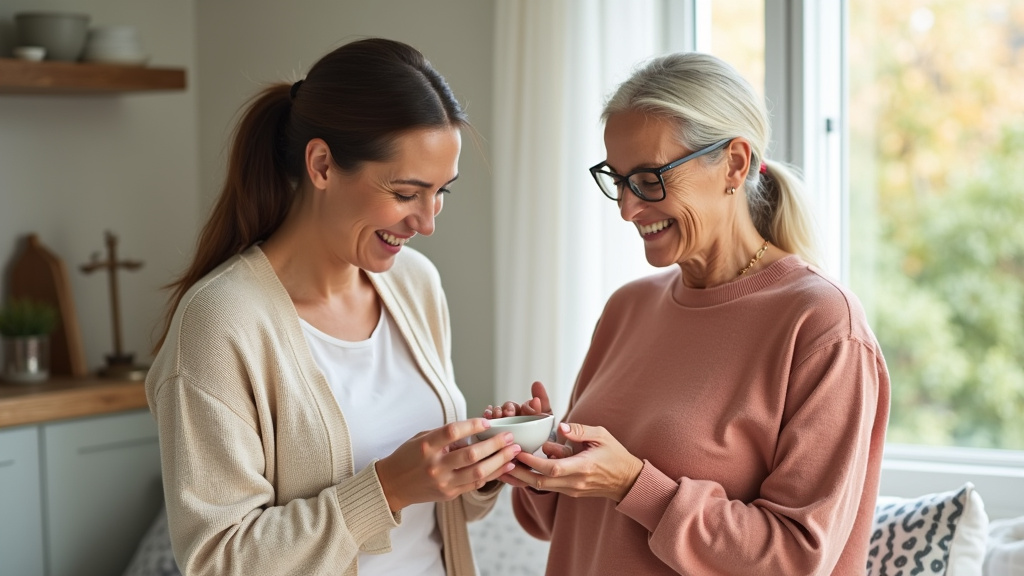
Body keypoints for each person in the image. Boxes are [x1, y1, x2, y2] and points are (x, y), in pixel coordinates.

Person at [489, 52, 891, 575]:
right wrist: (538, 457)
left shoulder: (822, 325)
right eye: (619, 179)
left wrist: (633, 484)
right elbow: (559, 525)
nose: (628, 208)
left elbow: (795, 558)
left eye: (651, 179)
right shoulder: (628, 308)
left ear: (735, 163)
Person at [146, 38, 519, 576]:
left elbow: (435, 520)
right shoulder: (221, 322)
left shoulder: (416, 285)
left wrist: (477, 469)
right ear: (322, 164)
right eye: (406, 192)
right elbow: (218, 559)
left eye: (442, 192)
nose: (428, 222)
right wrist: (387, 489)